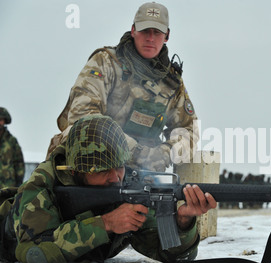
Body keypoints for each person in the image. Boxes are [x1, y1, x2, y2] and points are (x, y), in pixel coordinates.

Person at [0, 115, 216, 263]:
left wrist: (182, 222)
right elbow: (36, 253)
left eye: (120, 166)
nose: (115, 177)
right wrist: (105, 224)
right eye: (103, 170)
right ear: (76, 170)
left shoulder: (127, 186)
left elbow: (174, 257)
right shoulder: (40, 187)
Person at [46, 2, 198, 172]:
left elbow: (189, 131)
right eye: (145, 31)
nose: (150, 38)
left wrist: (164, 153)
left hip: (141, 175)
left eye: (157, 32)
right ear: (133, 30)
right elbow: (83, 118)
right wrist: (136, 151)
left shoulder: (171, 83)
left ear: (167, 35)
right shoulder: (105, 63)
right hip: (90, 167)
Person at [0, 107, 25, 188]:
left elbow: (19, 162)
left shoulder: (11, 141)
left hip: (8, 185)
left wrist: (19, 182)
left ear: (5, 121)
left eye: (1, 119)